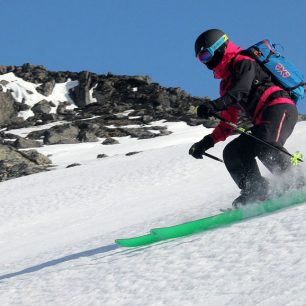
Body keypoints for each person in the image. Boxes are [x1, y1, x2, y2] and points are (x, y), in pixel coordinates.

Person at [189, 29, 299, 207]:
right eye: (202, 59)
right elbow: (227, 123)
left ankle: (296, 180)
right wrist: (205, 142)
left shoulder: (244, 62)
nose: (206, 63)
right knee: (233, 152)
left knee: (265, 142)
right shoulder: (225, 84)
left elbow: (240, 91)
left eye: (206, 56)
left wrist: (214, 105)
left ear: (219, 48)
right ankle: (256, 190)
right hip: (263, 121)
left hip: (280, 108)